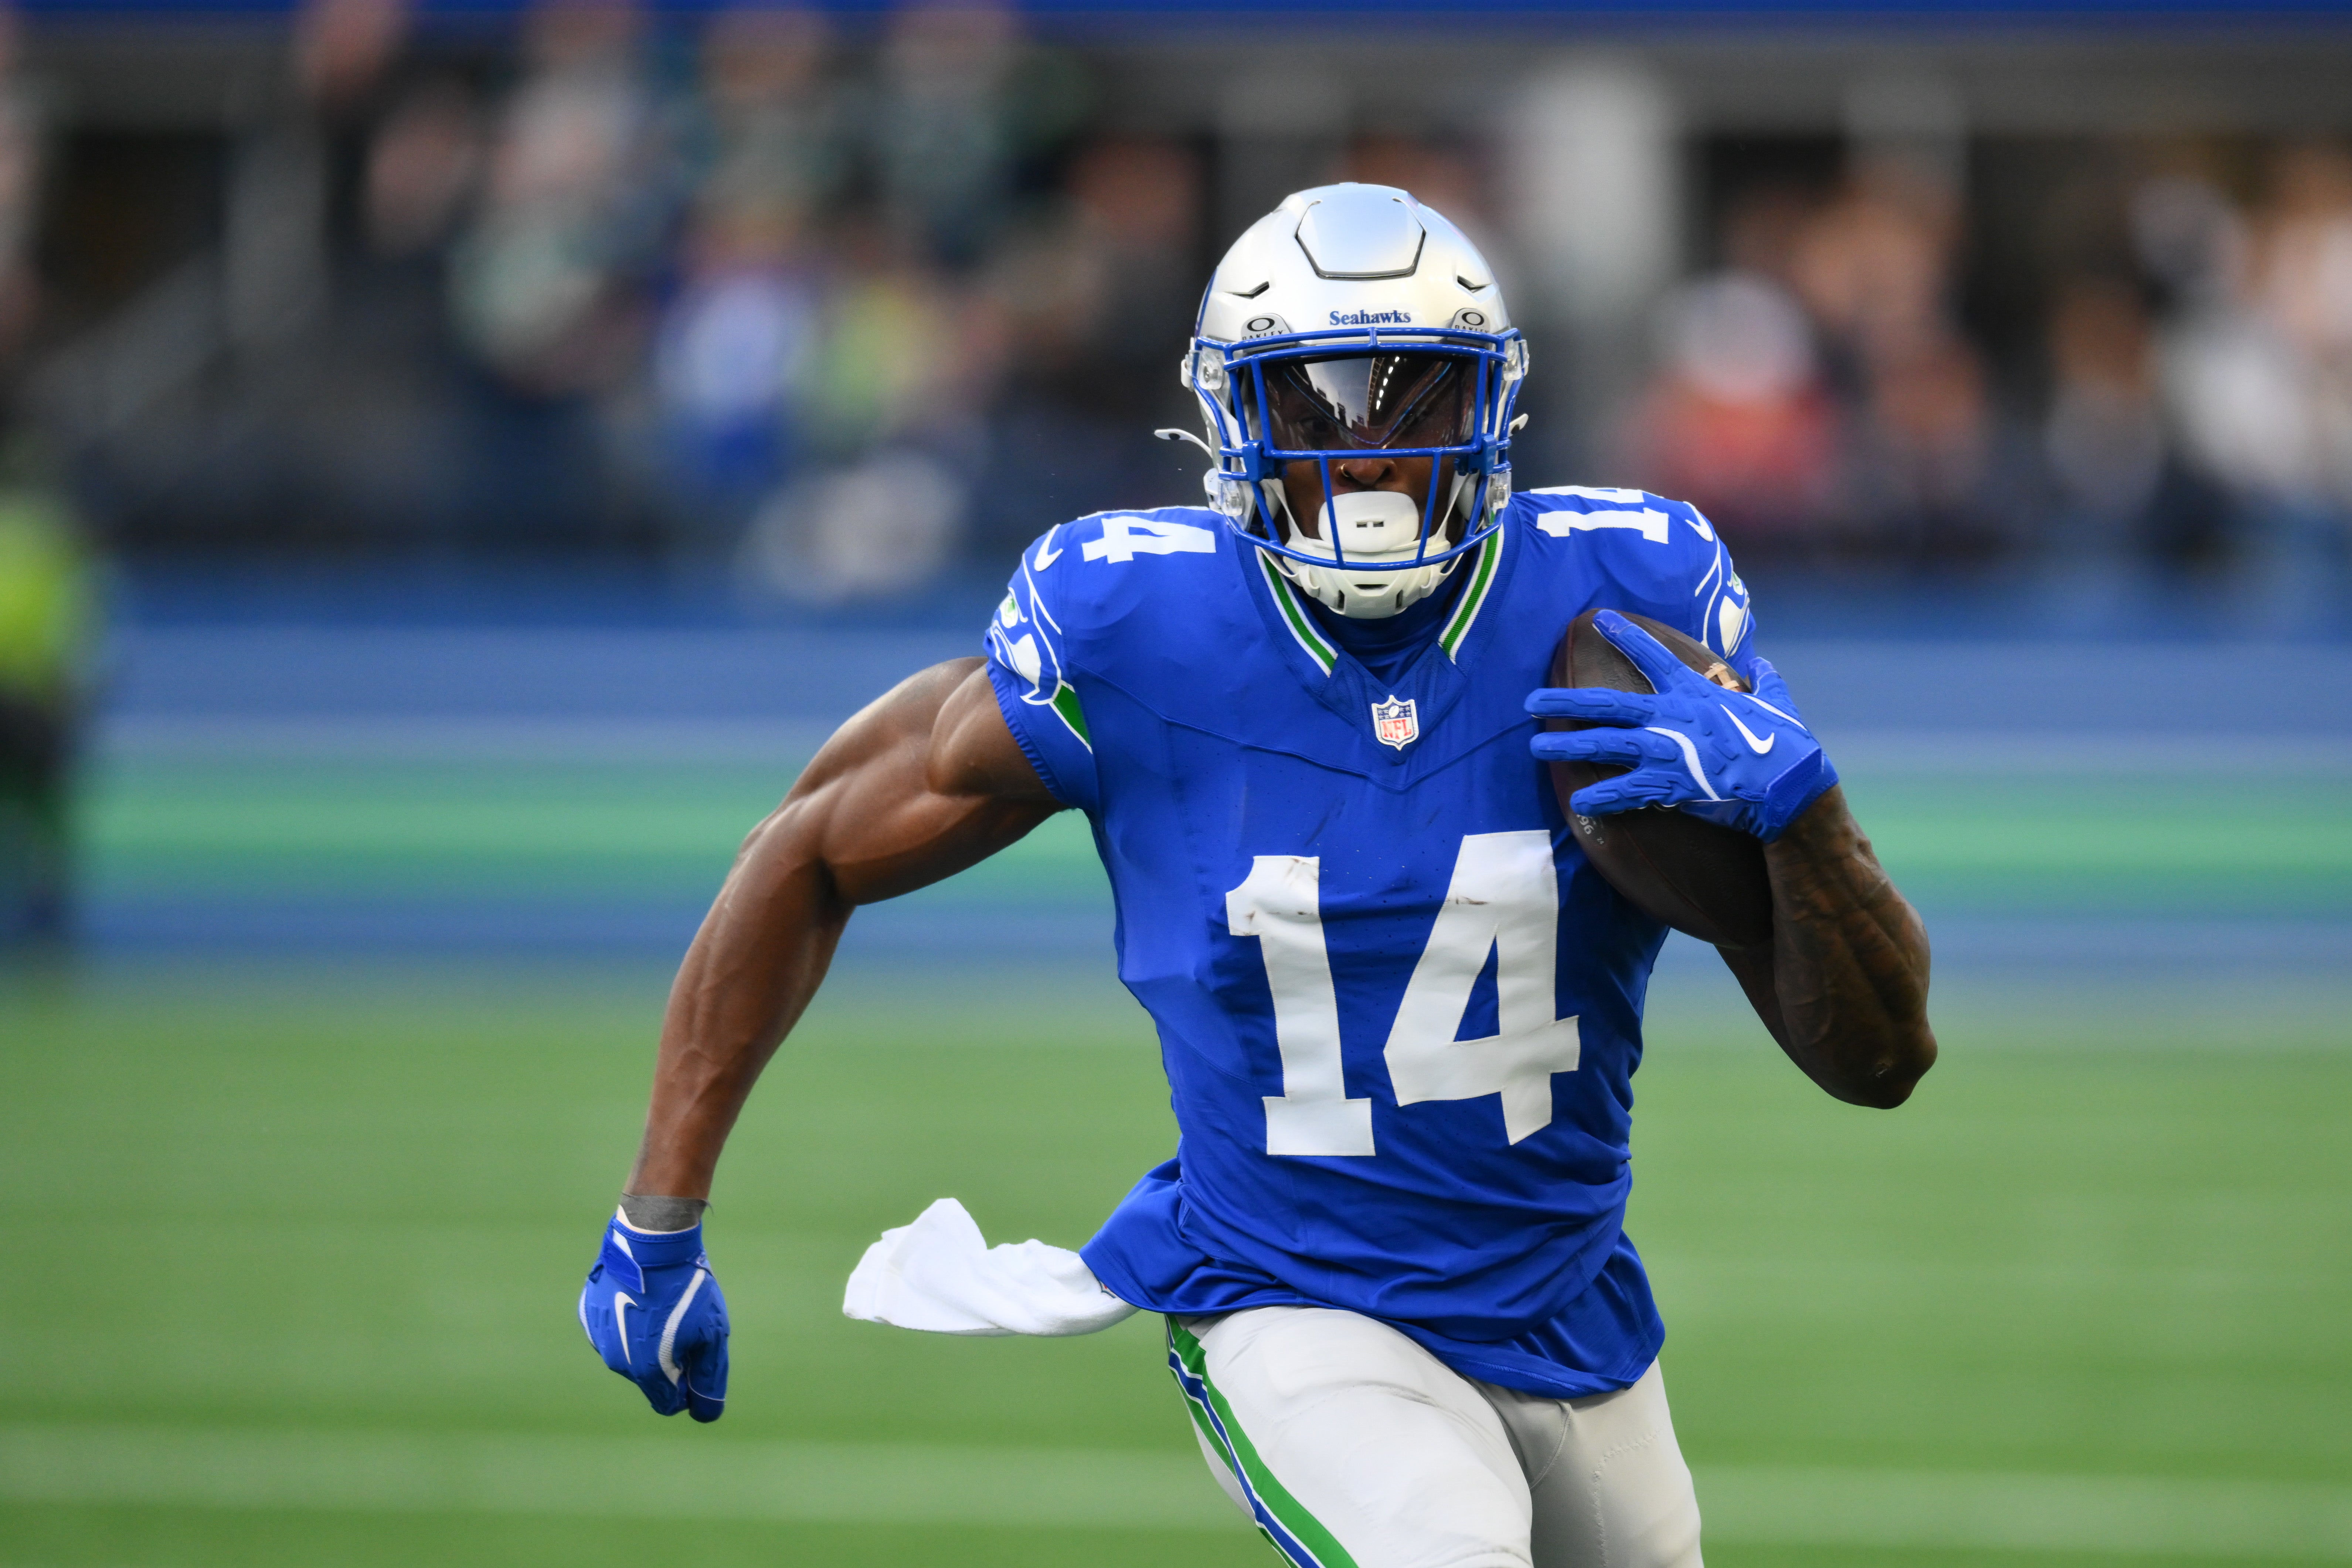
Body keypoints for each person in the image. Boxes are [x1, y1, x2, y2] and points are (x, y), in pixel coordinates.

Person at [579, 183, 1937, 1568]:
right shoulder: (1134, 626)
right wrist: (656, 1217)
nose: (1364, 452)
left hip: (1568, 1305)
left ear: (1492, 407)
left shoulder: (1622, 607)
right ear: (1233, 420)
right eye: (1315, 404)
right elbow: (810, 844)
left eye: (1412, 402)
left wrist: (1803, 814)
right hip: (1290, 1300)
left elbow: (1879, 1060)